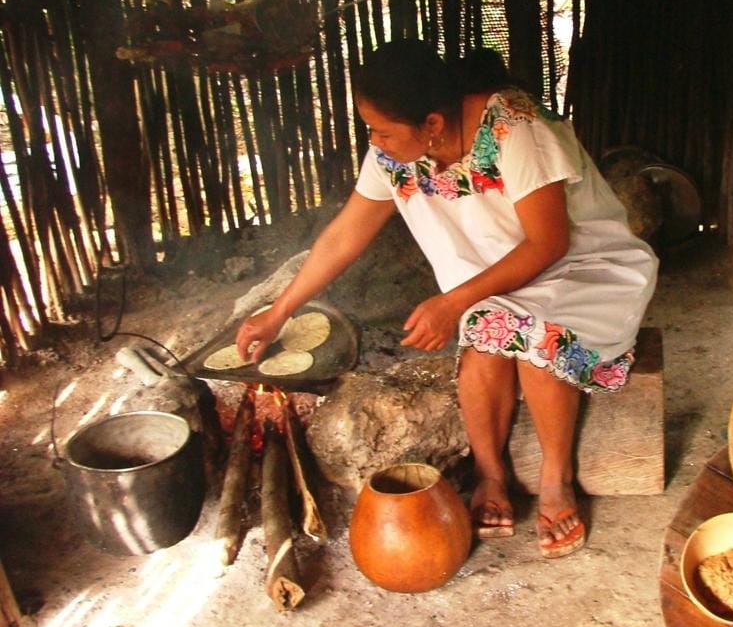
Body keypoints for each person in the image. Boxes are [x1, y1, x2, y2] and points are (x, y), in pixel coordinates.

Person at [235, 39, 658, 558]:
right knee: (485, 338)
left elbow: (549, 243)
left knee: (536, 340)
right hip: (499, 284)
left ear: (433, 124)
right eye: (371, 128)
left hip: (581, 270)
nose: (376, 141)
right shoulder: (394, 154)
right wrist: (278, 312)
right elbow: (346, 234)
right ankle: (490, 477)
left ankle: (555, 478)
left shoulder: (514, 127)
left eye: (384, 130)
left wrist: (453, 303)